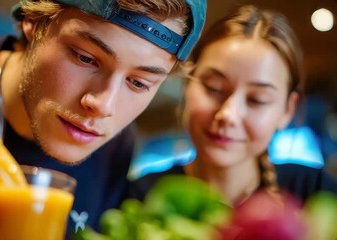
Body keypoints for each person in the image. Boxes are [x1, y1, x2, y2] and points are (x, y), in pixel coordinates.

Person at [0, 0, 207, 239]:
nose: (103, 104)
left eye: (138, 83)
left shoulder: (115, 148)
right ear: (33, 21)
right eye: (85, 58)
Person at [131, 5, 337, 207]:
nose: (228, 114)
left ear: (287, 110)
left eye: (257, 99)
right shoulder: (142, 199)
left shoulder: (315, 194)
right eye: (213, 88)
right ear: (187, 84)